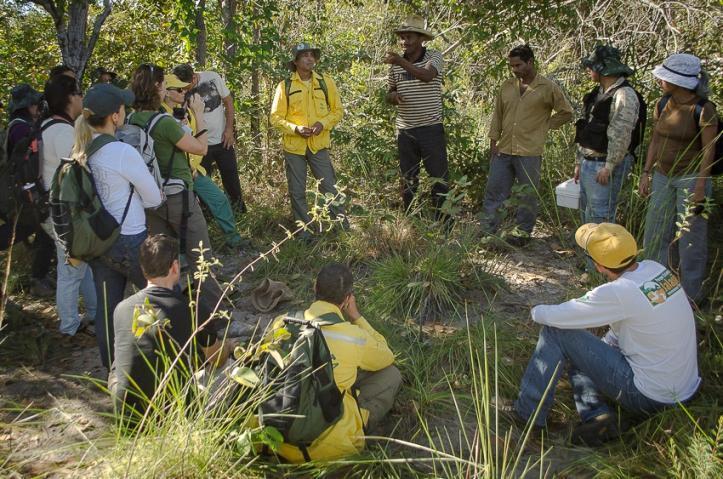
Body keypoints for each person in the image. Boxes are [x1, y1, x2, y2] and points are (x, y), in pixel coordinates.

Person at [513, 223, 700, 446]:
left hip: (650, 397)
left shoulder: (618, 292)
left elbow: (562, 316)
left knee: (556, 332)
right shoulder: (655, 270)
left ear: (599, 266)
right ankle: (597, 416)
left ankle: (527, 415)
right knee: (585, 350)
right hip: (685, 388)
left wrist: (535, 311)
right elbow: (622, 330)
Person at [129, 64, 229, 332]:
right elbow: (201, 147)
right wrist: (199, 114)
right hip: (178, 198)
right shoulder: (161, 123)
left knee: (162, 262)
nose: (165, 87)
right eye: (162, 83)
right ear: (156, 88)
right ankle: (217, 322)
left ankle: (166, 320)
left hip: (151, 201)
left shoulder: (131, 120)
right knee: (201, 258)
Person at [72, 83, 163, 369]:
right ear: (114, 116)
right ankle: (169, 364)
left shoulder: (80, 150)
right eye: (122, 107)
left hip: (98, 242)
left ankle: (114, 371)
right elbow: (154, 198)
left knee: (107, 311)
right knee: (160, 300)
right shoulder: (122, 152)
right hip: (130, 239)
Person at [275, 262, 402, 462]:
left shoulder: (283, 322)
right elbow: (386, 357)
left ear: (315, 288)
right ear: (347, 299)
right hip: (327, 449)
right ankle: (363, 425)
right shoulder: (353, 336)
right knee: (391, 374)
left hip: (273, 438)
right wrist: (356, 317)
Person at [109, 234, 231, 417]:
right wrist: (228, 346)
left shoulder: (122, 308)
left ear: (143, 270)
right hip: (170, 413)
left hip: (125, 414)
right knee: (232, 367)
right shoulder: (191, 308)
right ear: (175, 267)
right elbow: (216, 359)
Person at [639, 53, 717, 304]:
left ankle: (690, 296)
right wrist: (646, 172)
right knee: (655, 232)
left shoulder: (704, 110)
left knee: (691, 238)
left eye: (665, 77)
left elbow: (710, 151)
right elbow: (655, 140)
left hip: (693, 180)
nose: (660, 81)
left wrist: (701, 187)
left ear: (680, 81)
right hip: (663, 176)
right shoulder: (662, 104)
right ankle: (656, 291)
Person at [481, 45, 573, 245]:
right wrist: (493, 142)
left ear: (530, 62)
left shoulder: (547, 87)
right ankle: (489, 232)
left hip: (530, 150)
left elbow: (566, 112)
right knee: (495, 191)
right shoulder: (507, 86)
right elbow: (497, 115)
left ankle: (522, 234)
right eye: (511, 66)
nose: (514, 69)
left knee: (527, 195)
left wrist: (546, 125)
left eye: (518, 65)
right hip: (503, 148)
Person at [161, 73, 248, 251]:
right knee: (185, 214)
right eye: (179, 89)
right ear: (167, 93)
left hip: (193, 169)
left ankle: (234, 240)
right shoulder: (162, 117)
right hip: (176, 174)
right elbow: (195, 146)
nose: (184, 91)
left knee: (220, 199)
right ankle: (187, 252)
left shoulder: (181, 110)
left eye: (185, 88)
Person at [269, 43, 347, 239]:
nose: (310, 59)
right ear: (295, 61)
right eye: (304, 55)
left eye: (312, 55)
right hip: (294, 147)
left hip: (318, 144)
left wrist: (323, 123)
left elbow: (338, 111)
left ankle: (341, 229)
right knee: (297, 191)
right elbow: (275, 118)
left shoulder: (325, 82)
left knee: (330, 187)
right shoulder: (284, 86)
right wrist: (295, 129)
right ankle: (304, 234)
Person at [40, 74, 97, 336]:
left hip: (56, 209)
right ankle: (69, 327)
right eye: (79, 94)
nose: (82, 98)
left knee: (80, 263)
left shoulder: (47, 127)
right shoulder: (62, 132)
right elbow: (79, 170)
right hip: (65, 212)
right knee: (70, 269)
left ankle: (94, 314)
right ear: (69, 99)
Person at [384, 15, 449, 220]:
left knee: (438, 177)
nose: (404, 41)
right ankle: (410, 219)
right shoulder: (395, 65)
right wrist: (393, 97)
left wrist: (400, 61)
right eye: (402, 37)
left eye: (409, 37)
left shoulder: (434, 56)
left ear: (421, 39)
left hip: (431, 128)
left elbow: (427, 76)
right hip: (405, 130)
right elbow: (390, 91)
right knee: (408, 177)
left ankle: (443, 221)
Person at [574, 45, 642, 226]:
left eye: (592, 66)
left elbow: (621, 134)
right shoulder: (598, 93)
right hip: (589, 162)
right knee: (586, 214)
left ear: (603, 68)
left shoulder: (624, 94)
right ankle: (588, 254)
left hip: (604, 166)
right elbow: (585, 128)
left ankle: (600, 255)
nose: (588, 70)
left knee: (600, 218)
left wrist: (609, 166)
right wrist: (579, 160)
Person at [1, 83, 56, 296]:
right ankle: (37, 279)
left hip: (23, 188)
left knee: (41, 231)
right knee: (25, 228)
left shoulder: (19, 125)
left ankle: (39, 276)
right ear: (29, 106)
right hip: (23, 190)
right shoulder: (21, 128)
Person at [172, 63, 247, 212]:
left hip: (222, 139)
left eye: (187, 85)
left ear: (194, 77)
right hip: (198, 145)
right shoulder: (175, 90)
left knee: (231, 178)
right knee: (203, 183)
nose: (185, 89)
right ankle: (207, 215)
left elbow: (228, 102)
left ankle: (239, 211)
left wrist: (229, 129)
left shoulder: (212, 77)